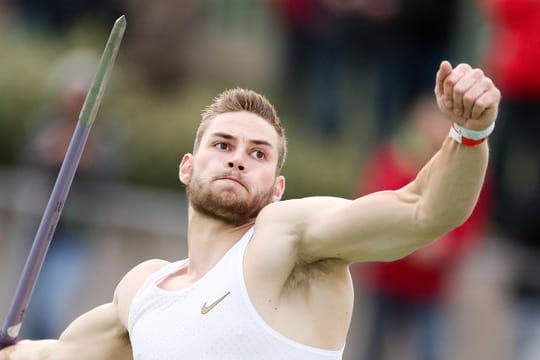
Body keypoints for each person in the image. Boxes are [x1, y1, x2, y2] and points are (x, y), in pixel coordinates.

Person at [0, 60, 500, 359]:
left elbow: (422, 210)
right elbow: (52, 354)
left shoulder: (287, 241)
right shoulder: (143, 290)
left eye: (258, 153)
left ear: (278, 187)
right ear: (187, 167)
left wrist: (470, 133)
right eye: (223, 144)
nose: (238, 157)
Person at [353, 94, 491, 360]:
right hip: (388, 277)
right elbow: (373, 206)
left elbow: (470, 220)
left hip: (431, 287)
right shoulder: (394, 159)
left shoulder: (467, 169)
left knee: (429, 350)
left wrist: (446, 248)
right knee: (373, 346)